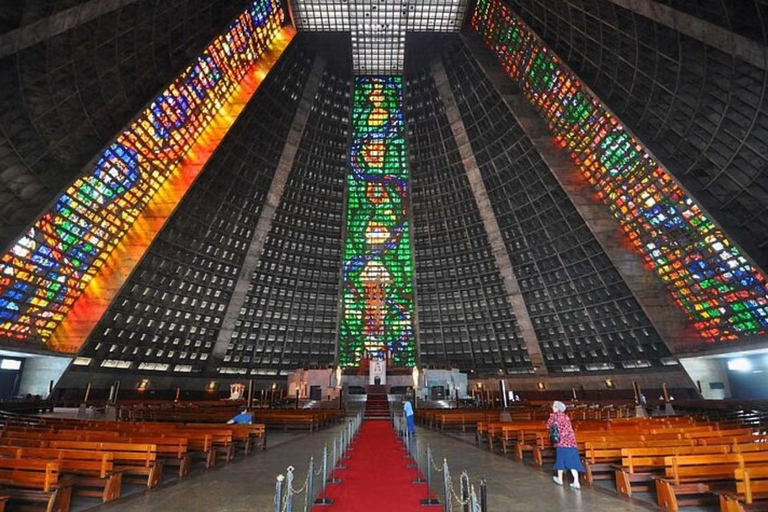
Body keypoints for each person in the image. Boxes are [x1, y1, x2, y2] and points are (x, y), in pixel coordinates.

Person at [546, 400, 585, 489]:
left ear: (557, 408)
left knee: (560, 460)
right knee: (572, 461)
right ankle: (576, 481)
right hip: (571, 443)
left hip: (561, 442)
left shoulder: (554, 417)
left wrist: (551, 417)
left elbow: (548, 425)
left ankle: (560, 479)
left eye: (554, 406)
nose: (552, 408)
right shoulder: (566, 417)